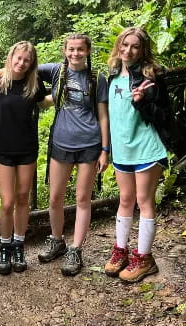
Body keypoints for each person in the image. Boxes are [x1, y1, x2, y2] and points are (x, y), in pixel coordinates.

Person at [0, 33, 109, 276]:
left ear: (88, 51)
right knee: (53, 198)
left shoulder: (97, 78)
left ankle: (74, 249)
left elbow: (102, 115)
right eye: (71, 49)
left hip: (86, 143)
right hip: (58, 142)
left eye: (80, 50)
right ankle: (53, 239)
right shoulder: (55, 71)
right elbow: (20, 66)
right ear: (64, 50)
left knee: (81, 198)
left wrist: (105, 149)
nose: (75, 54)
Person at [103, 27, 169, 283]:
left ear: (142, 50)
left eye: (134, 46)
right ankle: (121, 251)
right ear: (118, 46)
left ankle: (145, 258)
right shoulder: (110, 77)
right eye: (125, 44)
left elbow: (163, 116)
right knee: (126, 199)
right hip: (122, 149)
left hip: (147, 147)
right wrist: (105, 149)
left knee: (144, 200)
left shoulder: (150, 76)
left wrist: (142, 100)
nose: (128, 50)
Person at [0, 41, 49, 276]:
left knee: (23, 198)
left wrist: (66, 99)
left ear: (32, 63)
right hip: (2, 149)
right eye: (18, 58)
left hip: (27, 148)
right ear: (10, 57)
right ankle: (4, 245)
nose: (21, 63)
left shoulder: (34, 84)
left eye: (26, 60)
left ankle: (18, 244)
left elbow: (45, 97)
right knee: (7, 201)